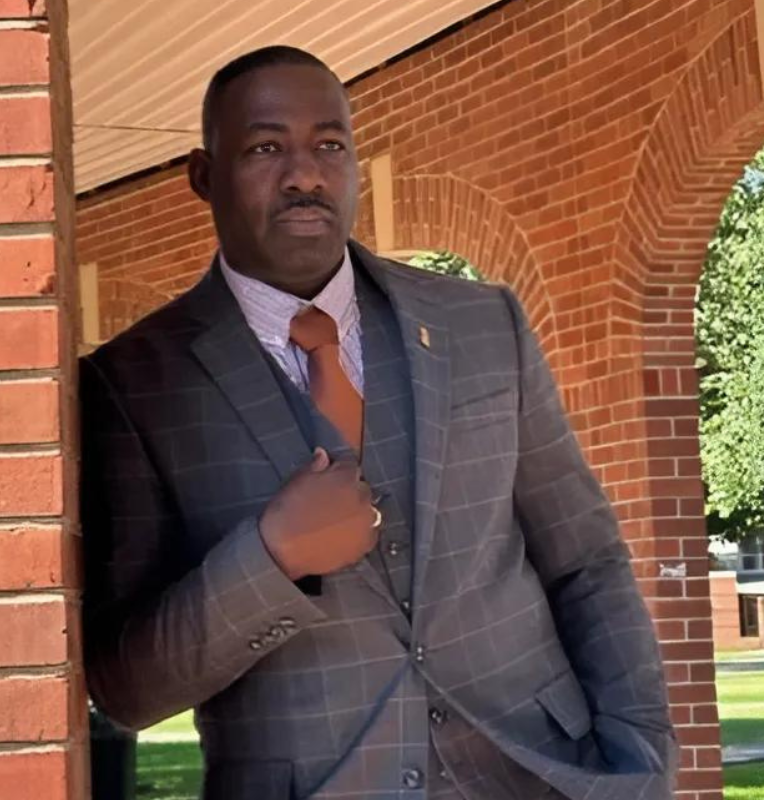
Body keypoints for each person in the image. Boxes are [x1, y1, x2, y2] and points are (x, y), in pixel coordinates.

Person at [80, 45, 677, 800]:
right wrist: (270, 559)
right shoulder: (130, 386)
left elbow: (585, 558)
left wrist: (642, 759)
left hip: (544, 775)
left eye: (329, 145)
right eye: (266, 148)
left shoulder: (482, 324)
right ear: (204, 176)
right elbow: (128, 685)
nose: (305, 175)